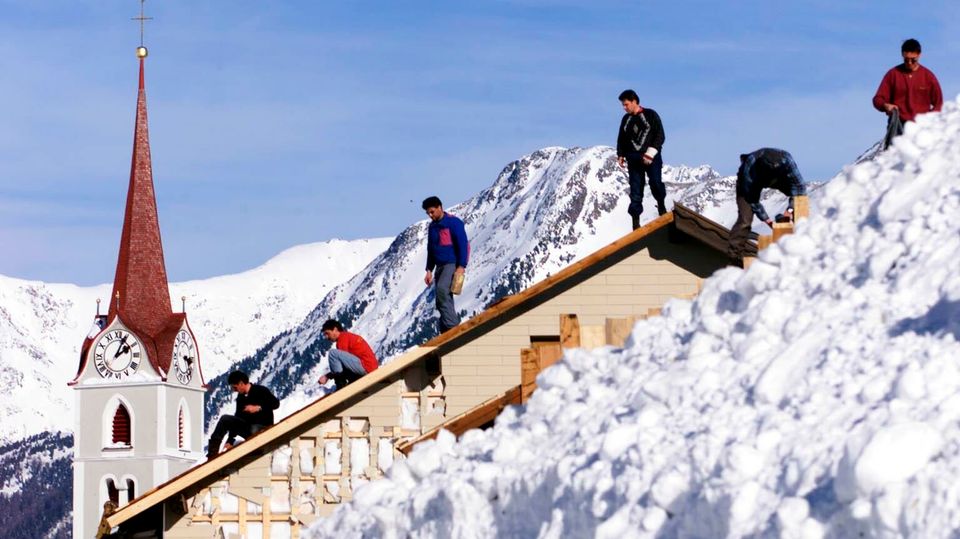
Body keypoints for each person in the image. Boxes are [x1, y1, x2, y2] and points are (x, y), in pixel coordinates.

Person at [727, 148, 807, 262]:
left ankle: (799, 244)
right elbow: (752, 200)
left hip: (780, 178)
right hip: (752, 183)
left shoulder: (787, 161)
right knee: (745, 219)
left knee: (800, 200)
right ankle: (734, 256)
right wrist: (769, 222)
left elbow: (800, 188)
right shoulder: (750, 168)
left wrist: (789, 211)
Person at [872, 38, 943, 146]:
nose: (909, 63)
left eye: (913, 60)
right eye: (906, 59)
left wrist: (929, 121)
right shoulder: (893, 74)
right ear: (902, 55)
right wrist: (886, 105)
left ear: (919, 55)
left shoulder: (928, 77)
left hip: (921, 129)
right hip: (898, 128)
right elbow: (877, 99)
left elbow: (939, 104)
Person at [616, 89, 667, 230]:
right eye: (623, 105)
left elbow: (660, 135)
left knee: (656, 183)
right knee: (635, 189)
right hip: (633, 159)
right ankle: (635, 222)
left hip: (652, 158)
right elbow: (621, 138)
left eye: (626, 104)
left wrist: (651, 152)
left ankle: (661, 206)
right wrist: (620, 154)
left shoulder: (651, 115)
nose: (624, 107)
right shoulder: (626, 120)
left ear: (634, 101)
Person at [206, 371, 279, 458]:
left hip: (264, 428)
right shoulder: (241, 398)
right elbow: (237, 419)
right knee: (225, 419)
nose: (234, 390)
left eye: (235, 387)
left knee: (254, 428)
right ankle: (212, 454)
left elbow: (275, 404)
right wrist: (230, 441)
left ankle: (256, 452)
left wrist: (258, 408)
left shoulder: (261, 390)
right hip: (248, 428)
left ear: (241, 383)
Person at [422, 196, 469, 333]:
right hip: (439, 266)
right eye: (428, 213)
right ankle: (445, 331)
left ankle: (453, 328)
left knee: (443, 290)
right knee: (441, 298)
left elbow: (463, 245)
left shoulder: (454, 223)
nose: (430, 215)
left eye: (432, 212)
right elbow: (431, 249)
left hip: (451, 264)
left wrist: (461, 266)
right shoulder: (432, 227)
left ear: (439, 207)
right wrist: (429, 269)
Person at [317, 319, 379, 390]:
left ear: (335, 329)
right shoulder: (347, 336)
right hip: (369, 366)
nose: (327, 337)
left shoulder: (343, 339)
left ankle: (341, 385)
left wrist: (327, 376)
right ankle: (351, 381)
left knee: (333, 353)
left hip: (366, 367)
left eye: (327, 333)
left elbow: (342, 366)